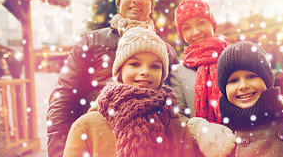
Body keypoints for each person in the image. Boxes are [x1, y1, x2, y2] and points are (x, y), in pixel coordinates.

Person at [169, 0, 283, 157]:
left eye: (200, 23)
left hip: (251, 140)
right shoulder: (179, 71)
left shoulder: (234, 56)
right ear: (181, 33)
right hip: (204, 151)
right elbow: (178, 117)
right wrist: (201, 131)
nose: (195, 32)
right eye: (187, 27)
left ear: (211, 23)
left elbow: (263, 92)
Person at [47, 0, 179, 157]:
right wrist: (62, 151)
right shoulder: (91, 42)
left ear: (151, 5)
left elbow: (177, 103)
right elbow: (64, 96)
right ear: (119, 2)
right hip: (98, 143)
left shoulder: (166, 51)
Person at [62, 27, 202, 157]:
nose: (145, 72)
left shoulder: (177, 128)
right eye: (135, 64)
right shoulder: (87, 126)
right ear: (120, 71)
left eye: (154, 66)